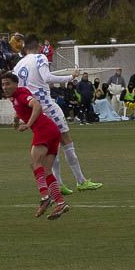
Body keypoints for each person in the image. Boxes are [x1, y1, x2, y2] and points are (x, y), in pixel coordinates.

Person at [13, 35, 102, 193]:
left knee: (50, 145)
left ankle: (58, 183)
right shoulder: (40, 57)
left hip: (33, 110)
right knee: (66, 142)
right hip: (47, 106)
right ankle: (80, 181)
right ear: (39, 46)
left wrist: (19, 114)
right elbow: (47, 77)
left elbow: (18, 91)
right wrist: (71, 76)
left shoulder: (18, 65)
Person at [1, 71, 70, 220]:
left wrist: (28, 124)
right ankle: (60, 202)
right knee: (46, 171)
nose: (4, 87)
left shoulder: (20, 94)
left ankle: (45, 197)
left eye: (8, 84)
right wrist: (15, 121)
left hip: (44, 129)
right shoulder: (14, 98)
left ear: (15, 84)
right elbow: (19, 110)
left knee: (35, 163)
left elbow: (36, 106)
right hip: (52, 131)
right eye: (2, 84)